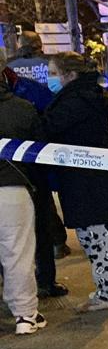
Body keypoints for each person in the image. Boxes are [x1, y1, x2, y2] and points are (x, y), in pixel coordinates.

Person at [44, 52, 108, 313]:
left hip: (89, 186)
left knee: (99, 241)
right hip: (95, 184)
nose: (50, 79)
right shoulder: (88, 96)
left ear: (70, 75)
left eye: (53, 73)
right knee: (105, 240)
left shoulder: (75, 102)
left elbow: (47, 127)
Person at [1, 50, 68, 298]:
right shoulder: (22, 97)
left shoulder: (25, 89)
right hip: (24, 178)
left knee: (38, 231)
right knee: (21, 242)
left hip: (31, 179)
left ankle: (45, 282)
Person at [0, 71, 47, 334]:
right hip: (11, 188)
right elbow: (39, 151)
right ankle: (26, 315)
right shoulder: (22, 108)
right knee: (17, 255)